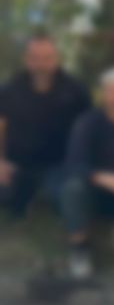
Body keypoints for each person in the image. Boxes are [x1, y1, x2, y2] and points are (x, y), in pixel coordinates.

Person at [59, 66, 114, 278]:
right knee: (72, 188)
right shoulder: (88, 122)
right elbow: (74, 162)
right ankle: (79, 249)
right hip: (93, 190)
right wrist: (100, 177)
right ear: (104, 94)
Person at [0, 33, 91, 216]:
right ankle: (22, 196)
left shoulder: (75, 90)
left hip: (59, 165)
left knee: (68, 197)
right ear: (26, 59)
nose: (41, 65)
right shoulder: (11, 89)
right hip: (18, 164)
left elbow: (89, 129)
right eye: (35, 58)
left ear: (56, 59)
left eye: (47, 58)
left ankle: (41, 194)